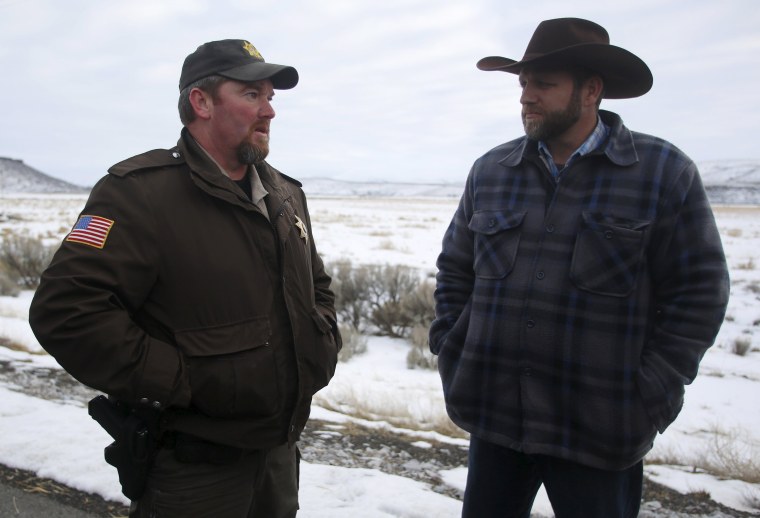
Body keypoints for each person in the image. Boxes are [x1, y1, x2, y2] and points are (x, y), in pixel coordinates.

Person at [429, 18, 729, 518]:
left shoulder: (662, 173)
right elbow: (455, 270)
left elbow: (700, 294)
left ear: (591, 90)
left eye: (543, 84)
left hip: (600, 426)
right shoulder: (491, 172)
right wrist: (451, 349)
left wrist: (649, 395)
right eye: (524, 84)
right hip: (496, 416)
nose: (526, 96)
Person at [29, 39, 341, 518]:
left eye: (271, 97)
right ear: (201, 102)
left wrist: (320, 345)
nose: (270, 111)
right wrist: (183, 382)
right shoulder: (140, 194)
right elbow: (67, 312)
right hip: (194, 469)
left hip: (278, 456)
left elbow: (317, 286)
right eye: (252, 95)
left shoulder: (283, 193)